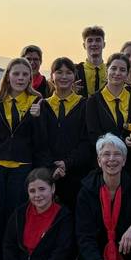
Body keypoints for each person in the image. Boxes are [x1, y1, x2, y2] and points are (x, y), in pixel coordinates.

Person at [0, 57, 52, 249]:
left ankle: (12, 256)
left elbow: (41, 141)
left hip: (22, 167)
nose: (20, 78)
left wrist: (37, 119)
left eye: (25, 74)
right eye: (16, 74)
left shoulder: (37, 102)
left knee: (17, 214)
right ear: (8, 76)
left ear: (30, 78)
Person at [44, 57, 92, 209]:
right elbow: (39, 142)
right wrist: (52, 167)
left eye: (68, 72)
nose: (64, 76)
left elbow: (87, 141)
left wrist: (67, 163)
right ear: (52, 76)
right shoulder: (43, 106)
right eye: (59, 72)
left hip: (77, 174)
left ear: (74, 76)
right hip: (48, 174)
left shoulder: (85, 105)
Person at [74, 25, 107, 97]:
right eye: (90, 40)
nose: (94, 44)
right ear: (84, 45)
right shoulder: (75, 71)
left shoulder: (111, 71)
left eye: (98, 40)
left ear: (104, 44)